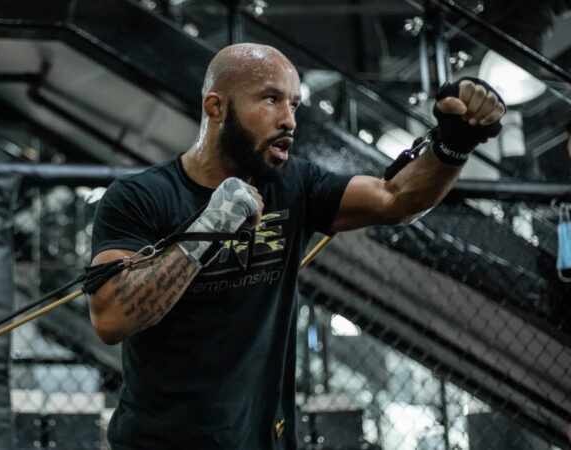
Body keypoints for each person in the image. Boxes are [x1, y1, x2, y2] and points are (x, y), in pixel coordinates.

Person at [87, 43, 505, 449]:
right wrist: (212, 225)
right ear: (215, 107)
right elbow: (110, 318)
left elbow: (394, 198)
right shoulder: (140, 196)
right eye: (270, 99)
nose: (289, 120)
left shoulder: (293, 184)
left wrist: (452, 145)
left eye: (294, 105)